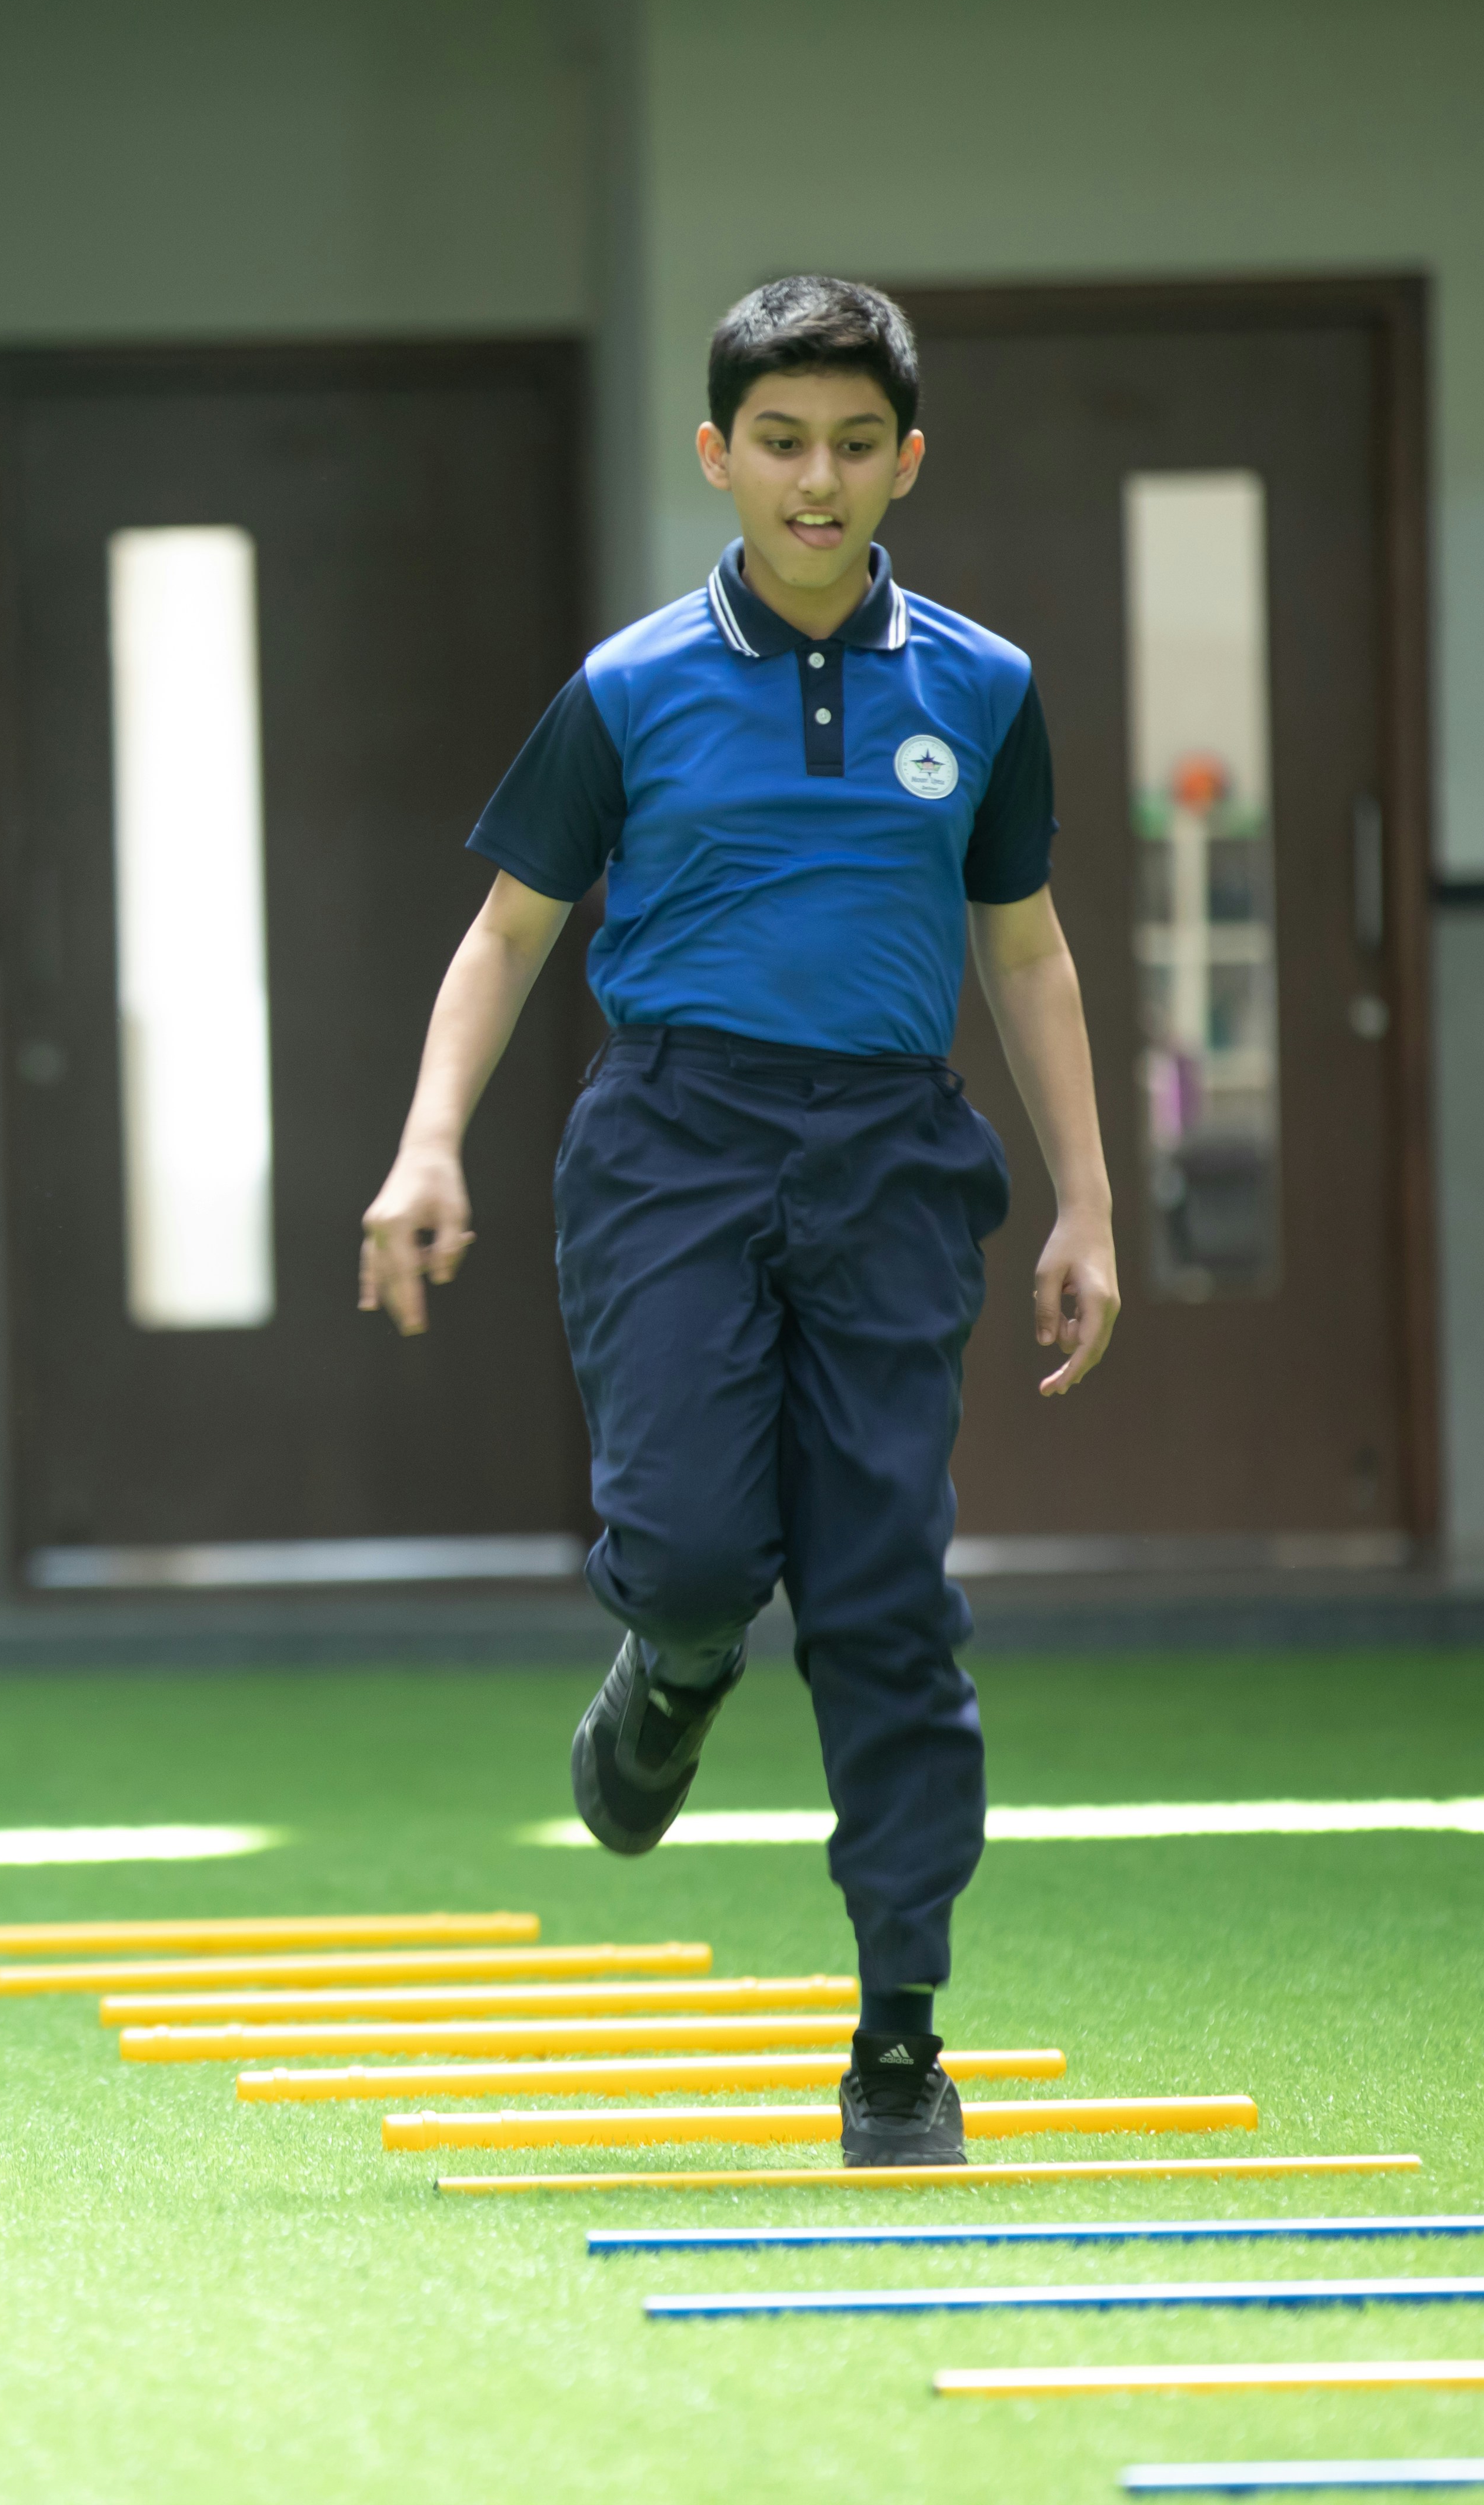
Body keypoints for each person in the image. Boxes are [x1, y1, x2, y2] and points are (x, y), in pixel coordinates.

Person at [355, 277, 1122, 2169]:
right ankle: (673, 1666)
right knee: (696, 1550)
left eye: (857, 444)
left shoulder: (988, 687)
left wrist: (1088, 1196)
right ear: (718, 455)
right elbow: (505, 934)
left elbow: (1024, 951)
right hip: (673, 1143)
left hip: (891, 1161)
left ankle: (898, 2040)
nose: (818, 477)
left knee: (885, 1601)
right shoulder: (624, 690)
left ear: (907, 464)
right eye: (781, 441)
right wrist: (426, 1147)